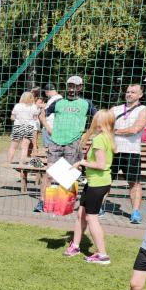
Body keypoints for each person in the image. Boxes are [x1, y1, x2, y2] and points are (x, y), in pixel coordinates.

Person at [35, 75, 97, 212]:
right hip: (55, 142)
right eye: (69, 85)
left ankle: (65, 204)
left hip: (73, 143)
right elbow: (42, 115)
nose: (71, 89)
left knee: (69, 175)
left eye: (75, 86)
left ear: (80, 87)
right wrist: (49, 129)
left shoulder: (86, 103)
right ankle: (42, 201)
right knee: (49, 174)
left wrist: (87, 134)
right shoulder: (58, 102)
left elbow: (98, 118)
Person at [62, 109, 115, 264]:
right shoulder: (107, 137)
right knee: (81, 214)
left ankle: (102, 255)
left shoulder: (99, 139)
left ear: (99, 122)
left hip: (98, 184)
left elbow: (101, 165)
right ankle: (75, 246)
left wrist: (82, 162)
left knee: (92, 218)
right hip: (94, 182)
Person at [111, 84, 146, 223]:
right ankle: (99, 208)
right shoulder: (115, 109)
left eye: (133, 92)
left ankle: (135, 212)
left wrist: (114, 131)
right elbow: (104, 125)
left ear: (140, 95)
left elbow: (135, 129)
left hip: (132, 152)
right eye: (128, 91)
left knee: (134, 183)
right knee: (105, 181)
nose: (129, 94)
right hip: (113, 150)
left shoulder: (143, 110)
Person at [6, 91, 40, 164]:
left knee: (13, 147)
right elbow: (35, 118)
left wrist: (18, 119)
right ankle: (22, 163)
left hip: (18, 126)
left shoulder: (17, 106)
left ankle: (8, 162)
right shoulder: (34, 106)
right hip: (28, 127)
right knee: (25, 147)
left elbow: (12, 117)